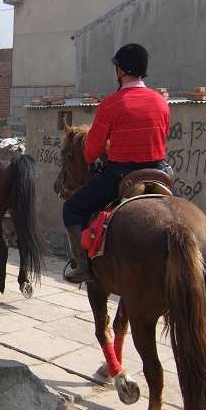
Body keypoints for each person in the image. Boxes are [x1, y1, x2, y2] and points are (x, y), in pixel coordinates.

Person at [62, 43, 170, 283]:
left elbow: (90, 154)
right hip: (159, 173)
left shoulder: (111, 104)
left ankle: (82, 266)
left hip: (122, 175)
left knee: (71, 207)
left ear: (121, 71)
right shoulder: (161, 102)